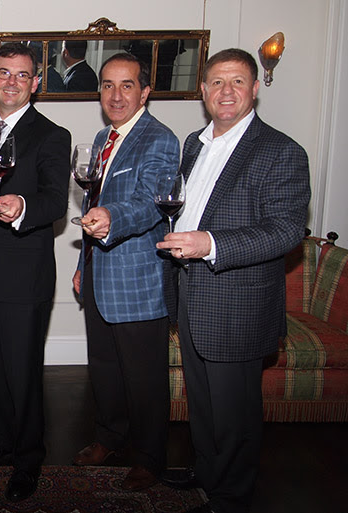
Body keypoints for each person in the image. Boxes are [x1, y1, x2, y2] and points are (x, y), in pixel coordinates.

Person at [157, 48, 310, 513]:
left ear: (255, 89)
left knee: (235, 412)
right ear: (203, 90)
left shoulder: (281, 151)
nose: (227, 92)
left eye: (238, 82)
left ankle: (231, 497)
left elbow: (286, 230)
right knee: (203, 402)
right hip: (191, 290)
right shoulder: (194, 143)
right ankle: (208, 473)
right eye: (217, 82)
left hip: (239, 302)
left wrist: (210, 243)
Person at [0, 43, 70, 502]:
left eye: (22, 75)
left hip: (24, 276)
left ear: (35, 83)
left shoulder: (51, 135)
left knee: (23, 374)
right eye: (4, 73)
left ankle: (28, 459)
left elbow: (55, 201)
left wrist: (23, 205)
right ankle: (5, 441)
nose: (12, 81)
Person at [71, 52, 179, 492]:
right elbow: (90, 205)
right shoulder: (103, 138)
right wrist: (82, 264)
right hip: (99, 272)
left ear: (145, 92)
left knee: (144, 378)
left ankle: (150, 457)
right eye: (108, 85)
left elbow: (150, 203)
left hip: (138, 281)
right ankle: (109, 438)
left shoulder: (160, 139)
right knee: (104, 368)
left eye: (127, 85)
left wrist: (112, 218)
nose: (116, 95)